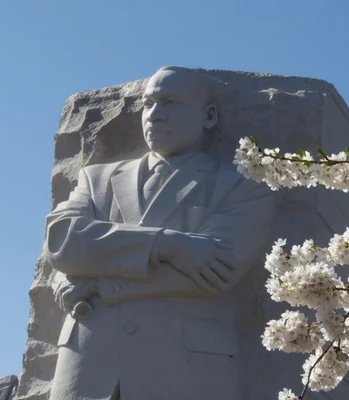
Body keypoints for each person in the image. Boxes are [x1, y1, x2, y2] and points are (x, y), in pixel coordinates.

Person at [44, 66, 276, 399]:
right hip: (90, 366)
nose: (154, 114)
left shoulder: (239, 187)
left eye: (170, 102)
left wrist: (96, 283)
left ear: (208, 116)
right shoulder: (96, 180)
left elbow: (213, 272)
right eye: (149, 103)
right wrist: (168, 244)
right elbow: (63, 241)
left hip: (186, 370)